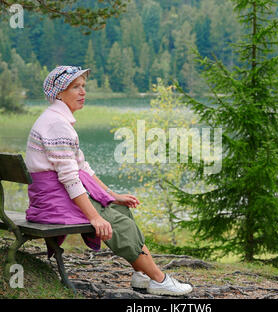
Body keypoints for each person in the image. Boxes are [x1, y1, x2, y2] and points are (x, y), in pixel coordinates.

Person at [25, 65, 192, 296]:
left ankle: (142, 274)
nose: (83, 92)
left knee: (118, 210)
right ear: (59, 93)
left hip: (55, 195)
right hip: (53, 201)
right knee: (115, 222)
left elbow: (82, 167)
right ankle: (159, 279)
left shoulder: (57, 120)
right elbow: (70, 179)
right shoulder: (56, 125)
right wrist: (94, 217)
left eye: (83, 86)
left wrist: (112, 195)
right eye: (76, 87)